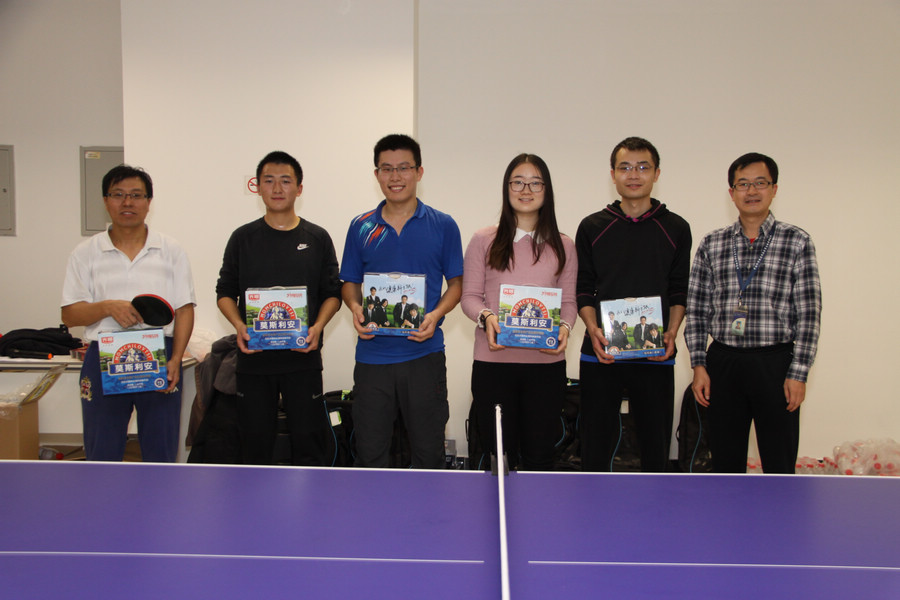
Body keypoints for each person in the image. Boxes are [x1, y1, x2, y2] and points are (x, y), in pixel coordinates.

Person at [685, 152, 821, 474]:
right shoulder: (712, 243)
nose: (751, 191)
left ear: (774, 189)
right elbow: (697, 308)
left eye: (760, 183)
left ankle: (780, 509)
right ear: (731, 193)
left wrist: (798, 372)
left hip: (775, 363)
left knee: (779, 460)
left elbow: (809, 313)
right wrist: (699, 365)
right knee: (725, 461)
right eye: (743, 184)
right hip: (723, 362)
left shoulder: (797, 241)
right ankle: (728, 508)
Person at [340, 134, 463, 468]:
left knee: (428, 453)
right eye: (387, 169)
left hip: (424, 356)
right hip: (372, 358)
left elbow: (456, 284)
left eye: (404, 168)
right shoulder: (360, 226)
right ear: (377, 174)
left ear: (419, 172)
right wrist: (355, 307)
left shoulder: (444, 225)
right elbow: (349, 282)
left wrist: (435, 314)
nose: (395, 176)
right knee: (370, 454)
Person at [61, 165, 195, 462]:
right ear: (105, 200)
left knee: (161, 451)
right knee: (102, 450)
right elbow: (69, 315)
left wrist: (176, 359)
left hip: (158, 355)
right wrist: (107, 306)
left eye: (136, 195)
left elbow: (185, 308)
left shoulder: (171, 250)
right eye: (118, 195)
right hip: (103, 355)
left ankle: (157, 495)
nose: (127, 202)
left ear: (149, 202)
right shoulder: (85, 252)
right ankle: (103, 494)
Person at [216, 151, 341, 465]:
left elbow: (332, 294)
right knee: (253, 446)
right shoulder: (242, 238)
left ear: (299, 188)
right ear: (257, 187)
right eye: (269, 181)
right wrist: (239, 326)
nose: (277, 188)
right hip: (254, 361)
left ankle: (311, 496)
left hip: (303, 358)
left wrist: (317, 327)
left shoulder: (317, 238)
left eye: (285, 181)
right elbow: (224, 292)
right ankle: (255, 497)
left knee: (310, 444)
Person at [576, 137, 692, 472]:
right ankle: (594, 502)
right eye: (625, 167)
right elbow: (583, 289)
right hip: (602, 352)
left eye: (643, 167)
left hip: (655, 353)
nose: (634, 174)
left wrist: (671, 333)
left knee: (655, 448)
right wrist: (593, 329)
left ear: (657, 173)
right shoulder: (592, 226)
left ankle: (655, 505)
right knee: (595, 446)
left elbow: (679, 290)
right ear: (613, 174)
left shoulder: (676, 228)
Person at [462, 153, 576, 471]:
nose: (526, 190)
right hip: (493, 365)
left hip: (546, 367)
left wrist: (565, 327)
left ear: (546, 190)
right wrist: (487, 317)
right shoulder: (483, 240)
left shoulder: (564, 244)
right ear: (506, 188)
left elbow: (568, 302)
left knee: (541, 457)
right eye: (518, 182)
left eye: (535, 183)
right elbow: (469, 297)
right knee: (500, 457)